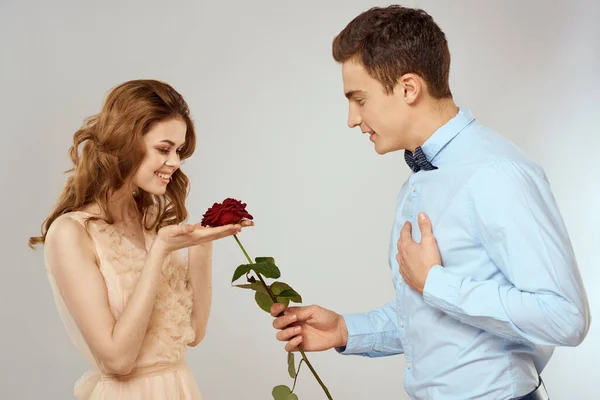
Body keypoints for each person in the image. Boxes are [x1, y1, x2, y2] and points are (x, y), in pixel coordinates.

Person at [270, 6, 590, 400]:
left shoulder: (496, 173)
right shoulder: (420, 181)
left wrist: (436, 282)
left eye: (359, 99)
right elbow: (436, 318)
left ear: (408, 88)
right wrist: (345, 330)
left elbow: (565, 317)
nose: (352, 119)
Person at [29, 79, 252, 399]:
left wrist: (202, 245)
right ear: (126, 143)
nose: (175, 162)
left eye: (179, 151)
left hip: (181, 388)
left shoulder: (152, 225)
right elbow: (117, 360)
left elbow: (194, 333)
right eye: (164, 149)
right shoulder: (71, 234)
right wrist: (160, 252)